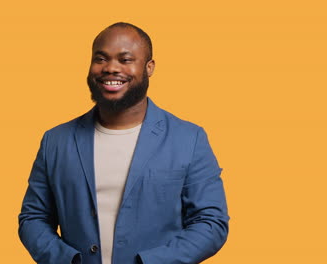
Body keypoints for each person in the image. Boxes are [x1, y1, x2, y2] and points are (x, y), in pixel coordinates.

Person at [18, 22, 229, 264]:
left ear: (149, 67)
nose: (110, 68)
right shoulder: (56, 141)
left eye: (125, 59)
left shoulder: (189, 139)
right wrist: (68, 261)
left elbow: (211, 223)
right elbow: (33, 218)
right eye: (101, 59)